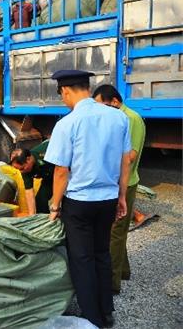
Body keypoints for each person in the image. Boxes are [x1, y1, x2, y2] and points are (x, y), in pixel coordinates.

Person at [44, 70, 131, 328]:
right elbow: (125, 161)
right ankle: (107, 311)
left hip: (79, 203)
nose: (63, 100)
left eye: (62, 95)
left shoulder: (67, 123)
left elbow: (61, 171)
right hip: (108, 199)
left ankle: (92, 319)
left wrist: (54, 205)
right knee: (102, 253)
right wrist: (122, 197)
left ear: (66, 91)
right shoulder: (118, 118)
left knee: (82, 260)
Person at [93, 84, 146, 294]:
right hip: (117, 182)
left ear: (114, 101)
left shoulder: (130, 118)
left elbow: (130, 156)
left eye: (102, 106)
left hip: (125, 183)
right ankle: (123, 271)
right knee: (117, 230)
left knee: (114, 233)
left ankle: (111, 283)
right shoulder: (117, 117)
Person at [9, 140, 54, 215]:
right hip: (48, 177)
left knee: (67, 203)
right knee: (40, 203)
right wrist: (31, 217)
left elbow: (62, 172)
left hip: (65, 172)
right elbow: (29, 191)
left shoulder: (46, 154)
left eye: (22, 168)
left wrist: (56, 203)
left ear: (28, 159)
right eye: (18, 169)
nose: (21, 172)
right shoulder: (25, 170)